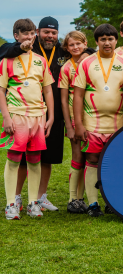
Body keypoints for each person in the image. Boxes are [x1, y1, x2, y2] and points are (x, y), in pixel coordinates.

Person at [0, 16, 75, 212]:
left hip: (49, 115)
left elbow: (81, 50)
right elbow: (4, 51)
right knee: (19, 158)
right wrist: (21, 46)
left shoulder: (59, 53)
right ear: (38, 33)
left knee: (44, 157)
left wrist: (50, 116)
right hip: (20, 114)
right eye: (45, 32)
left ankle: (38, 199)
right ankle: (14, 199)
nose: (49, 36)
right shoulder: (17, 52)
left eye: (53, 32)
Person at [73, 24, 123, 217]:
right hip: (92, 123)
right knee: (92, 160)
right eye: (103, 39)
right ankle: (93, 204)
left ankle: (110, 201)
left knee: (113, 162)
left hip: (118, 124)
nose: (107, 43)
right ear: (97, 42)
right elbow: (78, 96)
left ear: (116, 40)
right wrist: (79, 124)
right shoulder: (86, 63)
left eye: (110, 39)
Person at [0, 19, 55, 219]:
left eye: (32, 34)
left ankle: (33, 203)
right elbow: (1, 90)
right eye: (25, 34)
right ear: (16, 36)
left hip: (38, 116)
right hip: (17, 114)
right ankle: (10, 204)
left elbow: (48, 89)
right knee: (14, 159)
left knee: (35, 160)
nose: (29, 38)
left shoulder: (40, 60)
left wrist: (50, 116)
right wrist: (6, 117)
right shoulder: (6, 60)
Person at [59, 31, 89, 214]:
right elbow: (63, 100)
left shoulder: (92, 63)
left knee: (89, 158)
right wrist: (69, 126)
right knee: (77, 157)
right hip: (74, 118)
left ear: (85, 44)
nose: (76, 47)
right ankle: (72, 199)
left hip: (92, 117)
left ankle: (81, 197)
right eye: (72, 45)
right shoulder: (65, 68)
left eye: (79, 43)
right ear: (66, 48)